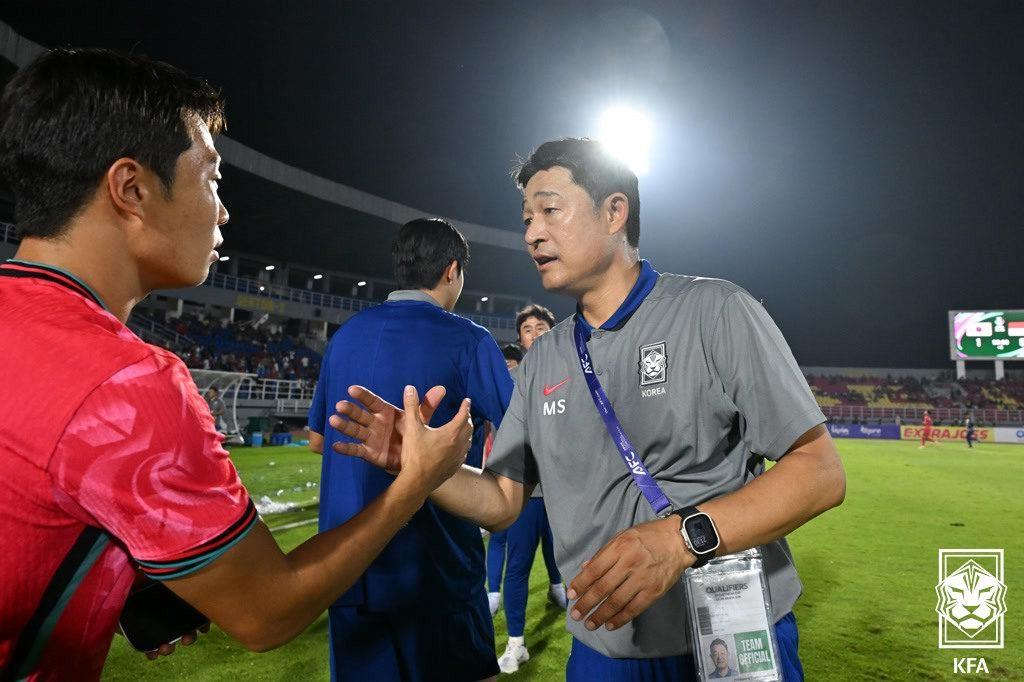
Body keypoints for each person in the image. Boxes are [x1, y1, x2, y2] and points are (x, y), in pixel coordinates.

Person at [0, 48, 471, 682]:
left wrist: (119, 572)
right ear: (132, 188)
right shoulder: (126, 383)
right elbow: (266, 613)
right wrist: (415, 481)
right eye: (212, 178)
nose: (223, 211)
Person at [332, 138, 846, 681]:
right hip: (604, 654)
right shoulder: (542, 360)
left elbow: (819, 472)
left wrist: (680, 540)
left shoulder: (715, 311)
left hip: (731, 636)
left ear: (614, 212)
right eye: (527, 217)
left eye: (551, 209)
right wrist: (425, 470)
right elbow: (504, 501)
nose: (532, 232)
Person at [307, 218, 513, 682]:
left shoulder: (344, 337)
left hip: (348, 567)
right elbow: (522, 434)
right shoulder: (469, 338)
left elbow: (319, 439)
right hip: (436, 568)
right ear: (452, 271)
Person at [493, 304, 567, 673]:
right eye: (527, 329)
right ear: (519, 339)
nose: (535, 334)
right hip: (526, 491)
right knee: (518, 564)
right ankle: (517, 642)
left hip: (568, 490)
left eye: (541, 327)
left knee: (578, 560)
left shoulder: (574, 369)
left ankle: (586, 633)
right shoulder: (509, 382)